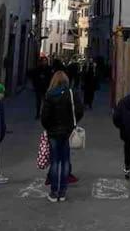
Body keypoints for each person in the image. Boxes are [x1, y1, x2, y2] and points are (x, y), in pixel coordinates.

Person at [41, 71, 84, 203]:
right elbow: (79, 111)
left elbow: (44, 116)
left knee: (55, 161)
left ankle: (54, 192)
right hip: (67, 132)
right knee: (65, 161)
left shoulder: (49, 95)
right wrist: (72, 124)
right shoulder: (71, 93)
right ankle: (63, 192)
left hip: (53, 133)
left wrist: (48, 127)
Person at [29, 55, 53, 120]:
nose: (44, 62)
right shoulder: (37, 69)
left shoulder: (49, 69)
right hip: (39, 87)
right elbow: (33, 77)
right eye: (43, 61)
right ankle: (38, 114)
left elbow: (51, 78)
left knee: (46, 102)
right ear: (41, 61)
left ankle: (45, 114)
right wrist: (35, 84)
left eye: (45, 61)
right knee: (38, 101)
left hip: (46, 87)